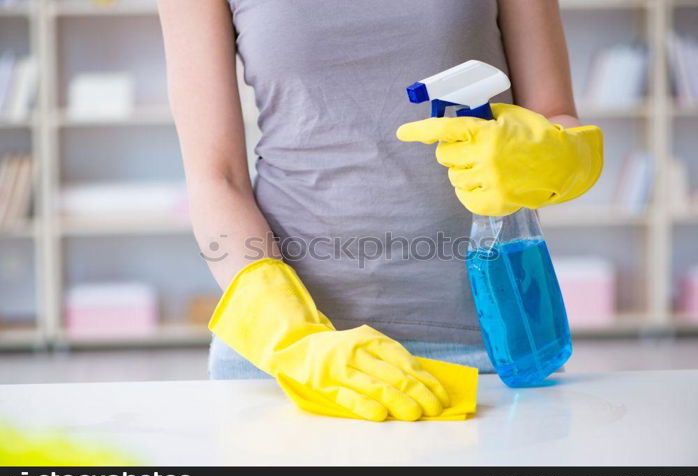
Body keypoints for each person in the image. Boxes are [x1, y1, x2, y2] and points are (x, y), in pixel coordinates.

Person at [158, 0, 603, 421]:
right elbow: (216, 179)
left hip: (494, 342)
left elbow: (557, 115)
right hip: (297, 359)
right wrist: (294, 341)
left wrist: (556, 154)